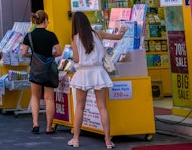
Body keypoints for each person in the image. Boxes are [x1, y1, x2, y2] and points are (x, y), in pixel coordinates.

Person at [69, 11, 126, 149]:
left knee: (80, 107)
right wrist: (122, 30)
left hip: (83, 73)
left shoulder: (74, 38)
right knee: (102, 107)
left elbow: (76, 59)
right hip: (98, 72)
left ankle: (75, 139)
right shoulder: (98, 33)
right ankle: (107, 140)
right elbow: (117, 37)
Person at [21, 10, 62, 134]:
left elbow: (24, 53)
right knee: (49, 98)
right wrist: (51, 54)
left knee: (35, 96)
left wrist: (33, 56)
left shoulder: (29, 36)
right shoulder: (51, 35)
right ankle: (49, 127)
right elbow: (59, 52)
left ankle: (35, 123)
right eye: (47, 20)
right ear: (45, 21)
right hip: (49, 70)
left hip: (36, 69)